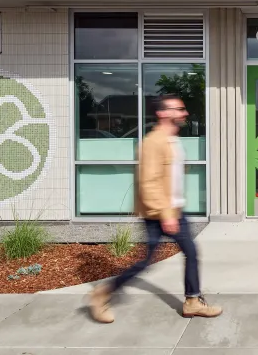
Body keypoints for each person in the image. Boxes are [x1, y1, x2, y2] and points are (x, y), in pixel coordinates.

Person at [89, 94, 222, 323]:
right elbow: (148, 183)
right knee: (146, 261)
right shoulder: (152, 142)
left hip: (174, 209)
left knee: (190, 252)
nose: (184, 113)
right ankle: (102, 294)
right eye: (178, 109)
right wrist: (166, 215)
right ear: (163, 113)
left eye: (182, 109)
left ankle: (192, 301)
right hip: (161, 213)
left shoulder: (172, 140)